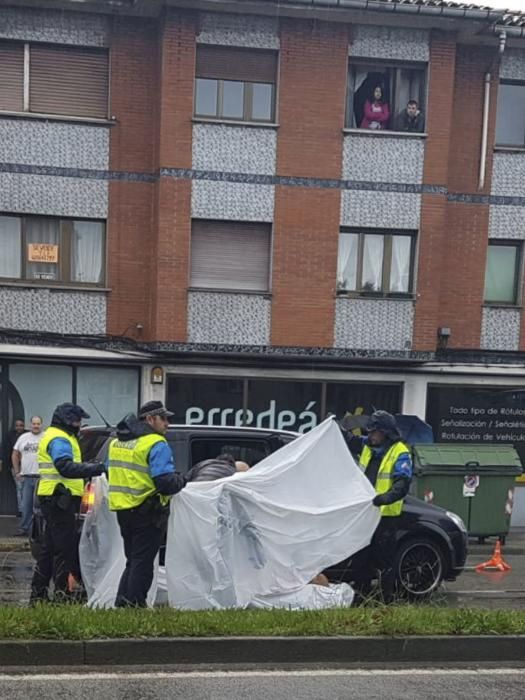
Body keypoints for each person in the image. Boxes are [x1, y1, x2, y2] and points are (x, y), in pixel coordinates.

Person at [108, 400, 187, 607]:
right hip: (147, 510)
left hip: (123, 510)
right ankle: (135, 605)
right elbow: (164, 482)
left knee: (133, 559)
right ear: (150, 419)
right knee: (142, 562)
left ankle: (122, 602)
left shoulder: (116, 442)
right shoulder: (155, 443)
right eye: (164, 418)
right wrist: (182, 479)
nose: (167, 424)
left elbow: (110, 471)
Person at [30, 403, 105, 604]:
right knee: (65, 549)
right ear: (66, 420)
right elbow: (64, 467)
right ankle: (62, 595)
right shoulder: (59, 439)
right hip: (59, 499)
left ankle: (38, 595)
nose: (79, 425)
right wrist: (94, 469)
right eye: (76, 420)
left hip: (53, 498)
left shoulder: (57, 435)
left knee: (48, 548)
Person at [342, 410, 412, 602]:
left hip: (386, 518)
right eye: (370, 432)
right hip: (366, 515)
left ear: (386, 432)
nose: (370, 435)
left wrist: (384, 498)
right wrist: (335, 427)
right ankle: (361, 598)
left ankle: (384, 600)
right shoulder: (368, 446)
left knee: (383, 562)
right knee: (361, 559)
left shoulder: (400, 452)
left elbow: (402, 484)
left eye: (374, 432)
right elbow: (350, 440)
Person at [12, 416, 44, 536]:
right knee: (26, 505)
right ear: (30, 425)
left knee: (41, 506)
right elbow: (15, 454)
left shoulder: (46, 437)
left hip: (42, 478)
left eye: (38, 423)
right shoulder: (23, 438)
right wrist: (17, 471)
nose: (36, 426)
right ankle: (24, 528)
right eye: (34, 423)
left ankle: (40, 530)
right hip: (27, 477)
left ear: (41, 425)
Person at [5, 419, 27, 516]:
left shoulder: (28, 435)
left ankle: (27, 510)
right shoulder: (10, 436)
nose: (19, 427)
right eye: (17, 425)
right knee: (20, 488)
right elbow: (7, 450)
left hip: (28, 467)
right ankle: (21, 510)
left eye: (21, 425)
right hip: (16, 466)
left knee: (29, 489)